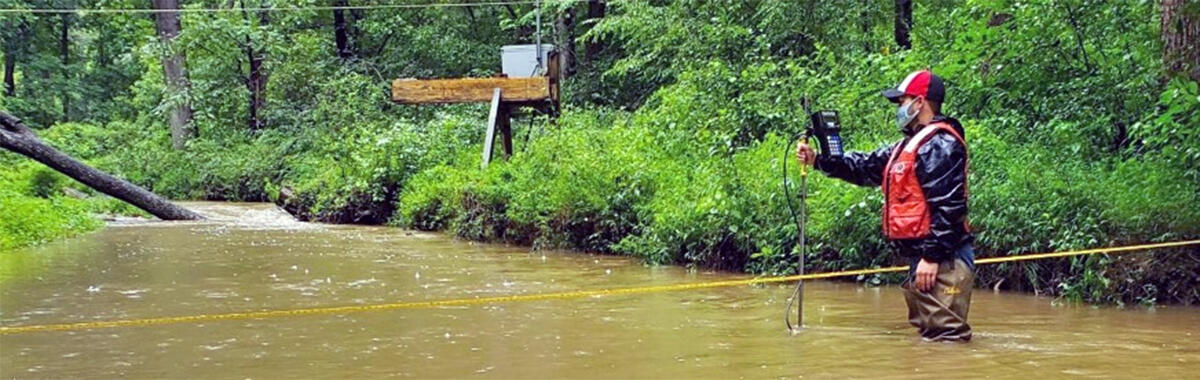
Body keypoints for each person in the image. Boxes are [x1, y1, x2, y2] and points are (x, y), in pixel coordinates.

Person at [795, 70, 975, 342]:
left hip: (942, 258)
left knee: (946, 340)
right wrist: (818, 160)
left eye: (902, 102)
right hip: (926, 257)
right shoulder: (910, 144)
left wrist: (932, 257)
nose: (899, 108)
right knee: (932, 339)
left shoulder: (941, 144)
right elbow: (865, 166)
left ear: (919, 102)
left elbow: (949, 206)